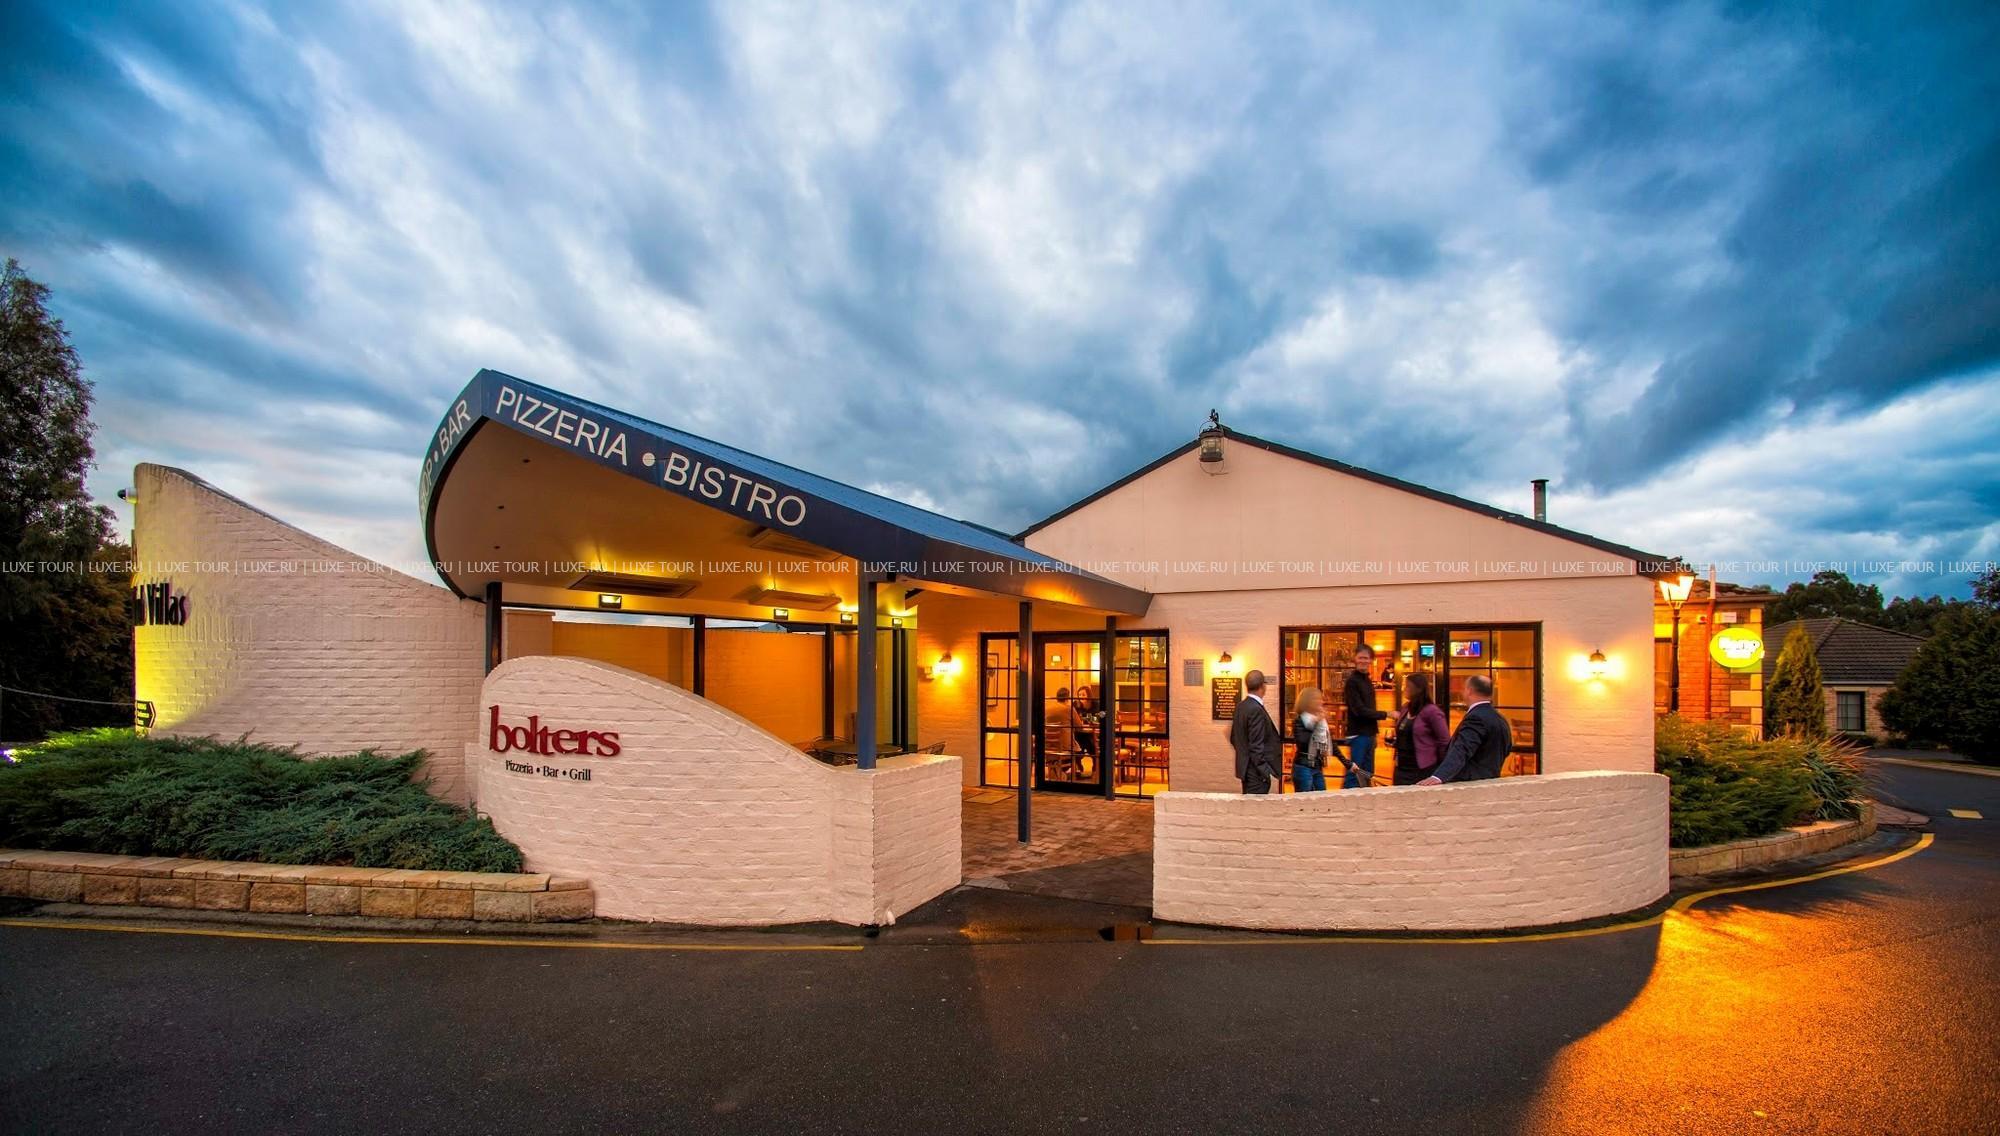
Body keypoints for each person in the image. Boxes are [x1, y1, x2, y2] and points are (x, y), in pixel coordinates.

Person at [1418, 674, 1513, 785]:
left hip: (1472, 783)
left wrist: (1439, 776)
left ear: (1469, 691)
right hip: (1492, 780)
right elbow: (1507, 748)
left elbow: (1462, 749)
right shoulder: (1500, 718)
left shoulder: (1476, 718)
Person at [1341, 645, 1390, 788]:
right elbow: (1359, 710)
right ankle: (1346, 800)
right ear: (1355, 659)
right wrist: (1386, 714)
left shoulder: (1367, 681)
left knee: (1367, 774)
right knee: (1354, 775)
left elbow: (1368, 708)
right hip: (1358, 735)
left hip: (1369, 734)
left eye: (1366, 658)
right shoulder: (1352, 682)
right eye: (1360, 657)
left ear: (1371, 660)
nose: (1363, 661)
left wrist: (1374, 733)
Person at [1391, 673, 1450, 786]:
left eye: (1407, 686)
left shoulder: (1432, 711)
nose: (1404, 689)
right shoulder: (1406, 708)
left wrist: (1442, 767)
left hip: (1421, 769)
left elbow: (1444, 740)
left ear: (1417, 689)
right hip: (1401, 768)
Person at [1229, 669, 1282, 794]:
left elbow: (1234, 738)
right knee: (1256, 805)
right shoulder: (1256, 709)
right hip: (1256, 774)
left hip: (1246, 770)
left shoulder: (1241, 706)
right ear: (1262, 686)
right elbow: (1256, 746)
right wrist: (1264, 770)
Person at [1290, 686, 1335, 792]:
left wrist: (1347, 763)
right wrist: (1316, 722)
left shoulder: (1321, 721)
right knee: (1305, 800)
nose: (1321, 702)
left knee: (1321, 798)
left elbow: (1329, 742)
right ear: (1308, 702)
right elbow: (1303, 742)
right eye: (1317, 699)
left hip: (1317, 766)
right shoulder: (1300, 720)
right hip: (1304, 766)